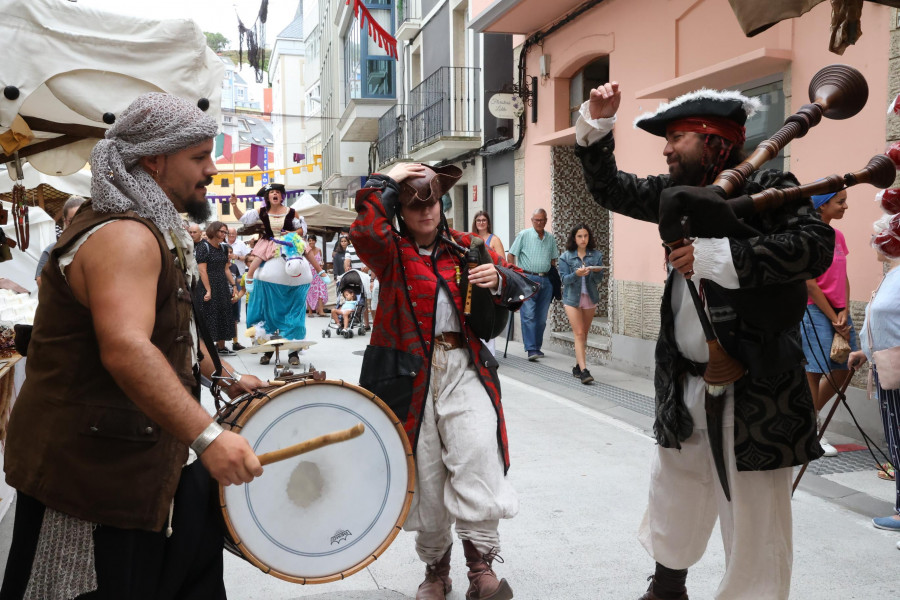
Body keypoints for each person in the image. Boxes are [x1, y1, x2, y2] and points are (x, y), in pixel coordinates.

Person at [0, 92, 266, 600]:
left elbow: (170, 332)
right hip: (91, 481)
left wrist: (224, 376)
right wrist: (208, 439)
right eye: (198, 157)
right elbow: (125, 348)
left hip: (139, 462)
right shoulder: (124, 236)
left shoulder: (153, 229)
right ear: (154, 160)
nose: (211, 170)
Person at [576, 82, 832, 600]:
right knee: (675, 489)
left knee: (756, 515)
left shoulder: (773, 186)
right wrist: (597, 125)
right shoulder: (680, 195)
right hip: (685, 380)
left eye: (677, 138)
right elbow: (611, 189)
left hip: (759, 386)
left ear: (715, 142)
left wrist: (724, 258)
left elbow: (813, 248)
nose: (666, 149)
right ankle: (667, 587)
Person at [351, 162, 534, 600]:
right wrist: (387, 180)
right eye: (414, 206)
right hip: (411, 377)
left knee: (477, 457)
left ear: (442, 202)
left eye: (431, 201)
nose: (426, 212)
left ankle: (481, 567)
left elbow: (523, 283)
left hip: (464, 367)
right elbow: (366, 233)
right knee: (427, 475)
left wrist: (499, 278)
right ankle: (436, 571)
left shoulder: (469, 247)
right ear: (400, 212)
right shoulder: (390, 253)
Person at [848, 215, 900, 538]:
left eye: (883, 235)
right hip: (887, 367)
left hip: (896, 369)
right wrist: (866, 352)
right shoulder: (892, 275)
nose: (877, 241)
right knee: (896, 440)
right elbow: (884, 322)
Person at [801, 189, 857, 456]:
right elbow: (809, 285)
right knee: (813, 372)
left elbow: (843, 276)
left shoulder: (838, 236)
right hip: (814, 311)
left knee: (846, 366)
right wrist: (834, 317)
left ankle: (808, 420)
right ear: (822, 206)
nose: (846, 206)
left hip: (839, 313)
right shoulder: (807, 236)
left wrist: (844, 309)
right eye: (840, 201)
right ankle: (810, 432)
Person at [507, 208, 559, 361]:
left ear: (546, 220)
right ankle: (531, 349)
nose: (539, 222)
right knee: (528, 314)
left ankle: (537, 347)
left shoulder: (550, 238)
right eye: (536, 220)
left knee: (541, 317)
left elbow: (553, 260)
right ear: (532, 220)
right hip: (528, 278)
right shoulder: (524, 235)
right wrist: (517, 275)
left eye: (542, 220)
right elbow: (511, 255)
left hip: (546, 280)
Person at [558, 223, 605, 385]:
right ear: (574, 238)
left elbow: (599, 280)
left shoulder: (596, 255)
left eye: (586, 236)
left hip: (590, 297)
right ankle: (584, 371)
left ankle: (577, 367)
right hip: (572, 299)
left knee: (584, 334)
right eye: (580, 236)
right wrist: (576, 274)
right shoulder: (566, 257)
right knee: (578, 333)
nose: (583, 239)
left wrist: (597, 273)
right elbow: (564, 280)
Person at [230, 183, 303, 283]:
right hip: (269, 241)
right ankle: (250, 277)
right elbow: (243, 219)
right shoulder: (261, 211)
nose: (275, 194)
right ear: (267, 198)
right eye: (272, 192)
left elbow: (301, 230)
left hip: (289, 240)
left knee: (307, 251)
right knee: (258, 257)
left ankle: (320, 272)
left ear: (281, 197)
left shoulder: (292, 212)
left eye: (277, 192)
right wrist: (234, 205)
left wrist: (291, 233)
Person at [195, 221, 238, 356]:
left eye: (225, 232)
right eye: (221, 231)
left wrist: (234, 285)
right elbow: (202, 271)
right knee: (208, 315)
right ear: (213, 231)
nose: (224, 234)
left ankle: (221, 347)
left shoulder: (225, 248)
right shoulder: (203, 247)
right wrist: (208, 290)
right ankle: (205, 348)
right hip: (208, 284)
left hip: (222, 285)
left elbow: (226, 269)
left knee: (223, 314)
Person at [35, 194, 85, 287]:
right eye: (71, 220)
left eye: (80, 217)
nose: (76, 222)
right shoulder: (52, 250)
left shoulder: (97, 246)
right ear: (65, 221)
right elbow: (40, 281)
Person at [305, 234, 328, 317]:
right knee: (310, 291)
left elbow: (321, 260)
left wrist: (322, 264)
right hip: (309, 273)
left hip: (318, 274)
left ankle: (321, 310)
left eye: (312, 240)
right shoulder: (306, 250)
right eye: (309, 240)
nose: (311, 242)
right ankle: (310, 311)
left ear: (315, 241)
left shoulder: (319, 250)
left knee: (321, 290)